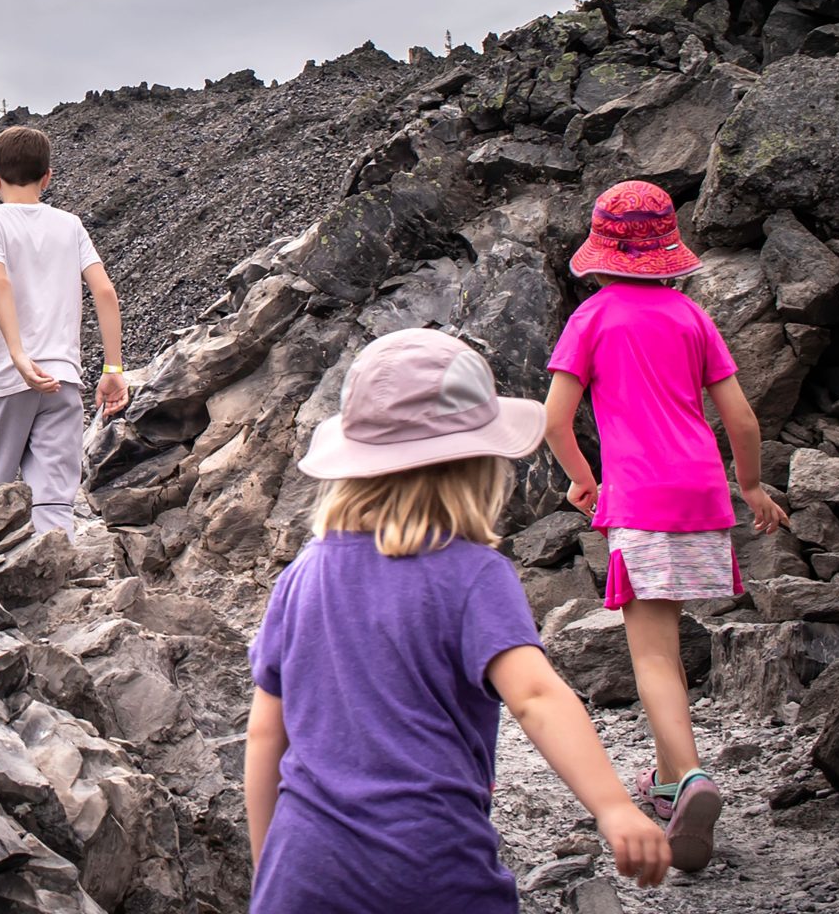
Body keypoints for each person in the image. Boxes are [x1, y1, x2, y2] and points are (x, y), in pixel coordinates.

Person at [245, 327, 672, 913]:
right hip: (431, 861)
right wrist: (614, 806)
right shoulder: (474, 575)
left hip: (305, 865)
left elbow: (269, 732)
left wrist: (268, 864)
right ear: (478, 466)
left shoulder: (299, 577)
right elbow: (537, 697)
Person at [540, 179, 788, 874]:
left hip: (641, 496)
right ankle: (670, 778)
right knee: (668, 645)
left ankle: (690, 777)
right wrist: (752, 485)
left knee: (648, 654)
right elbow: (740, 418)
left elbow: (555, 421)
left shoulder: (592, 318)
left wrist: (585, 482)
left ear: (602, 251)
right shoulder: (690, 317)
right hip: (701, 493)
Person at [0, 125, 127, 535]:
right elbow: (105, 292)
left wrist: (18, 354)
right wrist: (113, 369)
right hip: (63, 377)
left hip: (3, 377)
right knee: (55, 499)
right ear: (47, 177)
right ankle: (63, 577)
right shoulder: (69, 225)